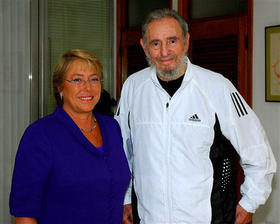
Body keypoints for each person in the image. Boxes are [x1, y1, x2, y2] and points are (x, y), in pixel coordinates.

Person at [115, 9, 276, 224]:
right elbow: (122, 151)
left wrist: (250, 203)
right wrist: (125, 197)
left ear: (186, 41)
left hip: (207, 218)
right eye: (155, 43)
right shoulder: (133, 87)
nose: (164, 52)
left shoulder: (217, 86)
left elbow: (258, 151)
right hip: (149, 217)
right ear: (144, 46)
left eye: (172, 41)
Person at [10, 49, 130, 224]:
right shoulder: (40, 135)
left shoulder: (112, 128)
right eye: (77, 80)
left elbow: (107, 186)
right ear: (60, 88)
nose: (87, 87)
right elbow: (24, 213)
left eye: (94, 79)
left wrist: (122, 206)